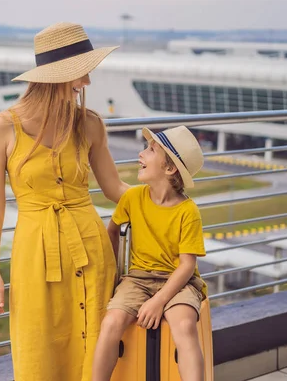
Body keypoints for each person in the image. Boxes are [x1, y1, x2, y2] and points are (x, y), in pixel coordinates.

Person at [0, 22, 129, 381]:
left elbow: (114, 189)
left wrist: (167, 198)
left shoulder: (90, 124)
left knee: (94, 343)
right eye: (82, 74)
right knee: (38, 345)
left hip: (91, 247)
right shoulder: (3, 127)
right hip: (36, 252)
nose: (87, 84)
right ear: (57, 76)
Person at [92, 125, 207, 381]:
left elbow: (187, 266)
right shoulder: (132, 198)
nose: (141, 154)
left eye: (151, 150)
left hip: (179, 282)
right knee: (110, 324)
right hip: (137, 280)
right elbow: (112, 232)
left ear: (169, 169)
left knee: (185, 327)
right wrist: (113, 278)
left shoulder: (188, 212)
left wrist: (158, 301)